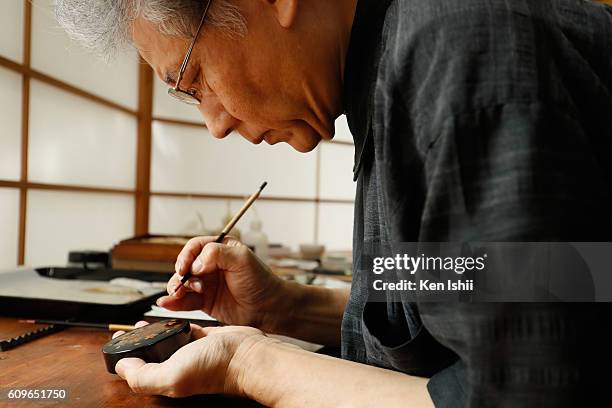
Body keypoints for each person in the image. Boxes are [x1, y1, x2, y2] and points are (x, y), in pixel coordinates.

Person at [57, 0, 612, 406]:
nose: (216, 124)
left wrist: (252, 363)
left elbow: (523, 393)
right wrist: (284, 307)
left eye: (194, 78)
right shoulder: (395, 66)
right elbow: (513, 285)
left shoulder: (461, 54)